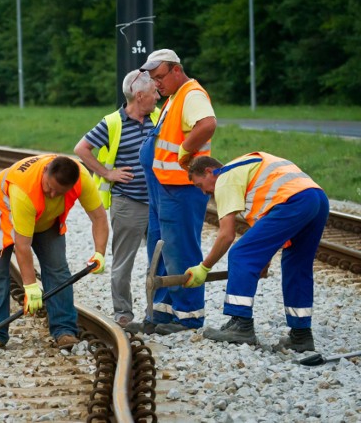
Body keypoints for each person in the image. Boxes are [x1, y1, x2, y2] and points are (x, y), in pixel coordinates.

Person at [184, 153, 328, 352]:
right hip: (316, 198)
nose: (204, 192)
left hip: (293, 201)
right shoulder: (247, 171)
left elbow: (226, 235)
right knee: (297, 266)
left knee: (240, 254)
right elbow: (266, 231)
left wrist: (204, 267)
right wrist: (263, 260)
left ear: (209, 171)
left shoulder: (225, 177)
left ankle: (241, 325)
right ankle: (301, 336)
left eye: (200, 185)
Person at [0, 155, 109, 350]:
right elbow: (22, 245)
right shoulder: (23, 190)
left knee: (58, 269)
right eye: (49, 187)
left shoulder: (82, 179)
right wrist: (30, 286)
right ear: (46, 170)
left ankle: (64, 330)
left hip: (45, 219)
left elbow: (99, 217)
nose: (53, 194)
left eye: (60, 192)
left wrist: (100, 252)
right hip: (2, 210)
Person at [137, 49, 217, 335]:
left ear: (176, 70)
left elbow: (208, 125)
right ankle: (163, 313)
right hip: (165, 188)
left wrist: (185, 150)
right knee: (160, 250)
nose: (157, 84)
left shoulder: (191, 94)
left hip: (181, 189)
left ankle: (189, 317)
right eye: (153, 79)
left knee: (181, 251)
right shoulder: (173, 98)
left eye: (160, 77)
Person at [74, 69, 160, 328]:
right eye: (154, 92)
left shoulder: (159, 117)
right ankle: (123, 312)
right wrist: (106, 173)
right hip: (128, 201)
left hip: (157, 202)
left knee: (159, 259)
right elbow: (81, 148)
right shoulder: (113, 122)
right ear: (140, 95)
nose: (158, 96)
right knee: (124, 260)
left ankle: (155, 313)